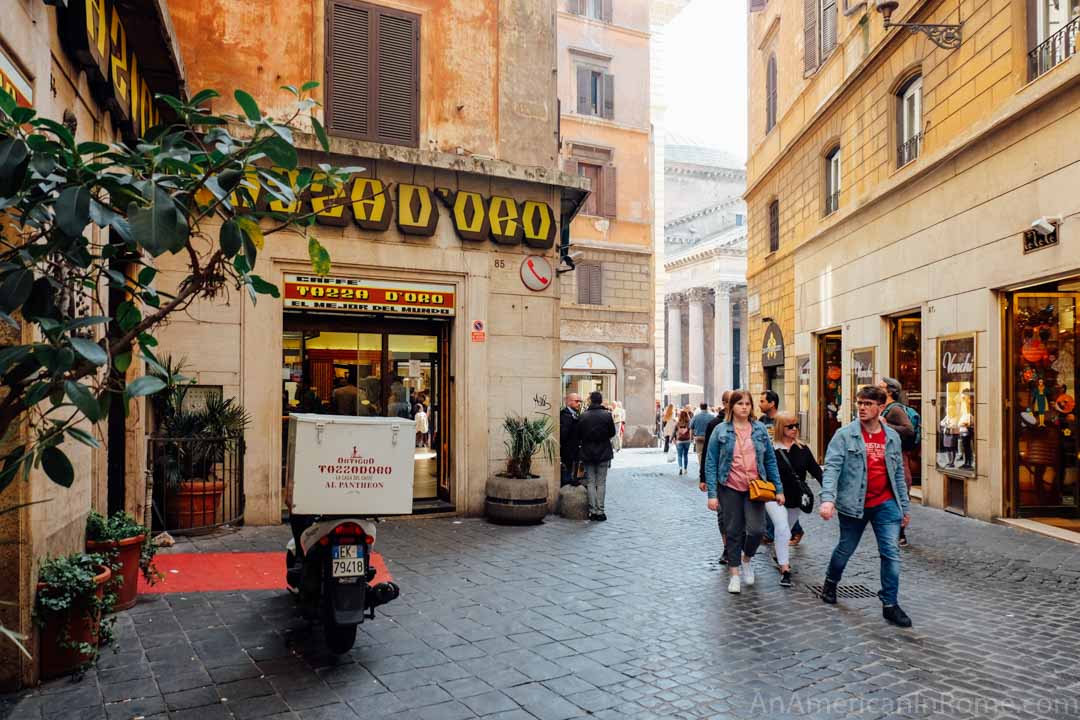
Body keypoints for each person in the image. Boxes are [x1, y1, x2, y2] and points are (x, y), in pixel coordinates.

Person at [819, 385, 913, 628]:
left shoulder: (891, 437)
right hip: (853, 504)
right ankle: (831, 582)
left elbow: (898, 475)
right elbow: (832, 468)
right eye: (860, 403)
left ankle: (890, 604)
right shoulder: (844, 435)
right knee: (845, 548)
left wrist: (904, 508)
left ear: (881, 407)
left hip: (886, 504)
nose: (862, 407)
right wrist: (828, 499)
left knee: (890, 553)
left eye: (868, 404)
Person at [704, 390, 782, 594]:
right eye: (740, 404)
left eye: (748, 403)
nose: (744, 407)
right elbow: (710, 462)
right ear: (732, 407)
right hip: (729, 487)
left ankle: (747, 559)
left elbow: (770, 460)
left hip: (755, 488)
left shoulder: (760, 430)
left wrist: (778, 489)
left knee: (757, 530)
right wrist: (712, 494)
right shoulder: (721, 430)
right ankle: (735, 573)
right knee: (733, 530)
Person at [771, 411, 822, 587]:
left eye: (796, 425)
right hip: (774, 496)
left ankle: (779, 552)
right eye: (790, 426)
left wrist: (830, 495)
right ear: (780, 428)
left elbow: (816, 471)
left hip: (796, 497)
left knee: (786, 529)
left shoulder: (803, 449)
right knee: (783, 528)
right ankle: (785, 569)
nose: (795, 429)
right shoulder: (772, 450)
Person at [879, 377, 915, 547]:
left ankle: (900, 533)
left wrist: (886, 425)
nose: (877, 389)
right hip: (886, 456)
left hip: (898, 457)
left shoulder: (895, 410)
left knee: (898, 491)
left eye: (881, 387)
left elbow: (909, 430)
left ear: (890, 391)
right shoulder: (883, 407)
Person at [699, 390, 731, 564]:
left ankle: (738, 547)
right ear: (725, 404)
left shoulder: (749, 424)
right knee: (722, 516)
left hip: (743, 479)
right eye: (734, 402)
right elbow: (707, 454)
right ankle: (727, 548)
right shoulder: (715, 424)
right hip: (720, 478)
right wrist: (703, 477)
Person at [576, 391, 616, 521]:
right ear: (601, 401)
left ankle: (593, 511)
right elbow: (612, 433)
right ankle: (601, 511)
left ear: (590, 401)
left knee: (591, 482)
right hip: (604, 452)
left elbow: (579, 435)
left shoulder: (583, 416)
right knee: (601, 483)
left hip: (588, 452)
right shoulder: (607, 415)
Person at [559, 393, 582, 487]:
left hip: (574, 450)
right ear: (568, 402)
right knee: (567, 477)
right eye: (576, 401)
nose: (579, 403)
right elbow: (564, 434)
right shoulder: (565, 415)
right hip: (567, 451)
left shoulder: (573, 413)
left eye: (580, 401)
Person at [674, 409, 693, 475]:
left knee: (679, 455)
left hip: (679, 441)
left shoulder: (678, 423)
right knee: (685, 455)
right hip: (687, 440)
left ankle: (680, 468)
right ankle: (685, 469)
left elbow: (674, 431)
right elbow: (691, 430)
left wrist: (672, 439)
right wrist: (691, 438)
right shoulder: (688, 423)